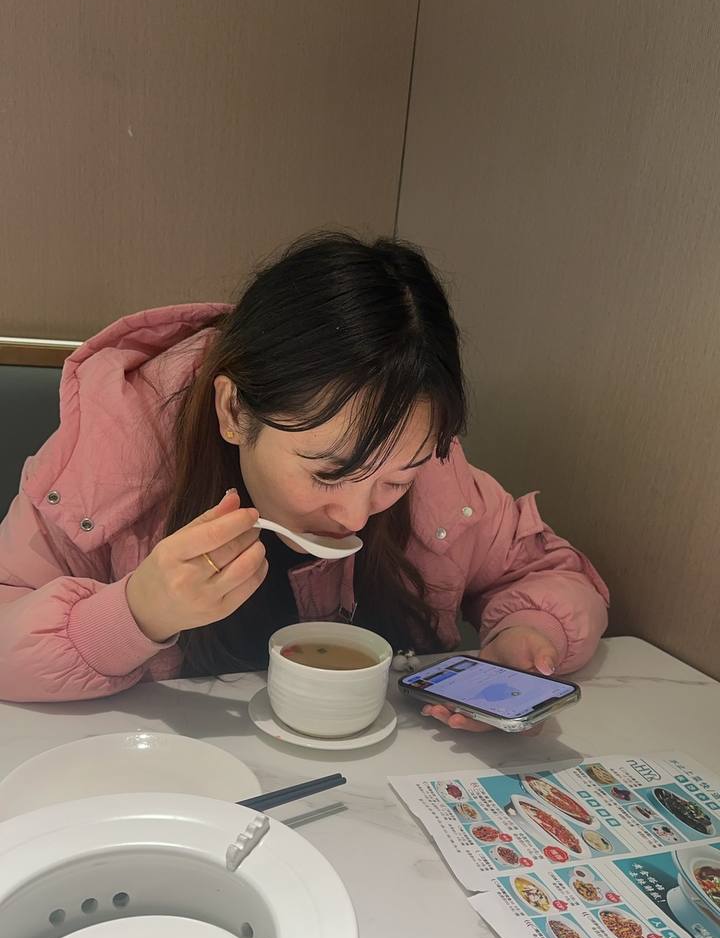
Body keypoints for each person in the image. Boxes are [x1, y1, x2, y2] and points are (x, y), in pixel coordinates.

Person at [0, 233, 608, 727]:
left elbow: (545, 571)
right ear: (233, 411)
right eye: (327, 473)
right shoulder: (103, 470)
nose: (357, 516)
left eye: (396, 481)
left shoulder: (432, 469)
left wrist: (527, 632)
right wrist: (136, 613)